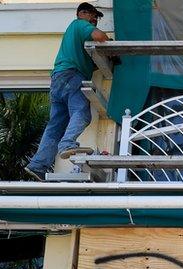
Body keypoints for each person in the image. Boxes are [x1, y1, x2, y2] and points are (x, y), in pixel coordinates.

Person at [25, 2, 110, 181]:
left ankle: (38, 164)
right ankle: (67, 144)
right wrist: (109, 45)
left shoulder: (73, 38)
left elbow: (87, 62)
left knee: (56, 125)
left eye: (97, 18)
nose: (95, 20)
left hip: (58, 79)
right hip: (72, 76)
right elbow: (100, 36)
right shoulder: (79, 24)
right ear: (82, 13)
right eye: (93, 16)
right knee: (82, 113)